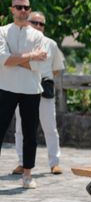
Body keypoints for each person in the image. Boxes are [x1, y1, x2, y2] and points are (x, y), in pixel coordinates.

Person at [0, 0, 49, 189]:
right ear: (12, 9)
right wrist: (30, 56)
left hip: (30, 90)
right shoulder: (2, 32)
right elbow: (2, 58)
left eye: (26, 7)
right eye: (18, 7)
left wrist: (14, 59)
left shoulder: (38, 36)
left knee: (30, 133)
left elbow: (39, 65)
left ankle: (27, 174)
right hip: (5, 87)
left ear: (29, 10)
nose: (22, 10)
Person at [12, 11, 65, 175]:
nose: (38, 26)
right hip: (24, 88)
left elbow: (57, 68)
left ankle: (54, 163)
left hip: (43, 88)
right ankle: (22, 162)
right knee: (21, 128)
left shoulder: (51, 44)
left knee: (50, 127)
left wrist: (44, 78)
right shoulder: (19, 44)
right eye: (35, 22)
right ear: (27, 23)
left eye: (41, 23)